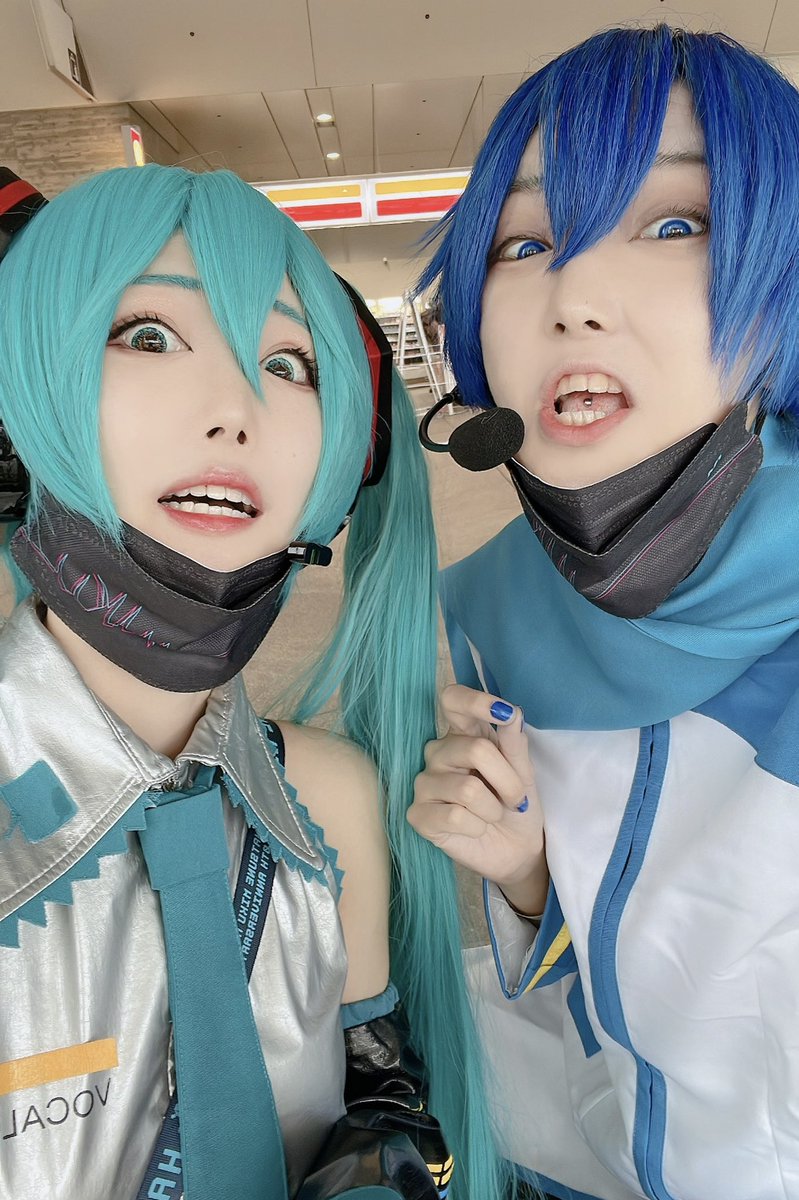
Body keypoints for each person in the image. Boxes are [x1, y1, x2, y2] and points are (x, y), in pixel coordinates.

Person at [0, 165, 509, 1200]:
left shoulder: (329, 799)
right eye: (148, 336)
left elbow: (379, 1096)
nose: (236, 410)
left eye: (287, 362)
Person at [409, 25, 799, 1200]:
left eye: (676, 225)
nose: (573, 296)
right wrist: (530, 879)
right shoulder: (481, 619)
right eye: (525, 243)